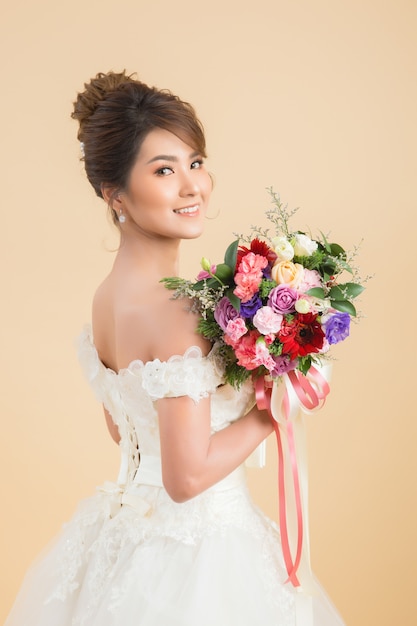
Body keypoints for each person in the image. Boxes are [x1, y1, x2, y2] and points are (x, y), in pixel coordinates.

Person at [5, 70, 345, 626]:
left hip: (123, 540)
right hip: (199, 559)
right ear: (115, 196)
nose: (193, 187)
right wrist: (277, 404)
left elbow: (124, 426)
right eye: (164, 170)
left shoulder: (108, 297)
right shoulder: (177, 313)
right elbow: (185, 479)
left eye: (196, 162)